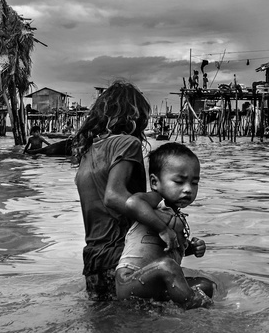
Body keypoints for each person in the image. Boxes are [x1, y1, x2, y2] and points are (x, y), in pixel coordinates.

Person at [74, 80, 180, 300]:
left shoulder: (87, 154)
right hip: (122, 255)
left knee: (106, 326)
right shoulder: (127, 143)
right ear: (133, 117)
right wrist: (162, 227)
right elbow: (113, 196)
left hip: (93, 259)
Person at [115, 142, 215, 308]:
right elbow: (132, 202)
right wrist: (162, 229)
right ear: (155, 182)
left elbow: (171, 249)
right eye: (179, 182)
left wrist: (191, 248)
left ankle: (179, 306)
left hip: (155, 284)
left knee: (206, 285)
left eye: (194, 183)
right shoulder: (155, 201)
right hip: (129, 281)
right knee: (168, 266)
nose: (188, 189)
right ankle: (191, 307)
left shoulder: (177, 218)